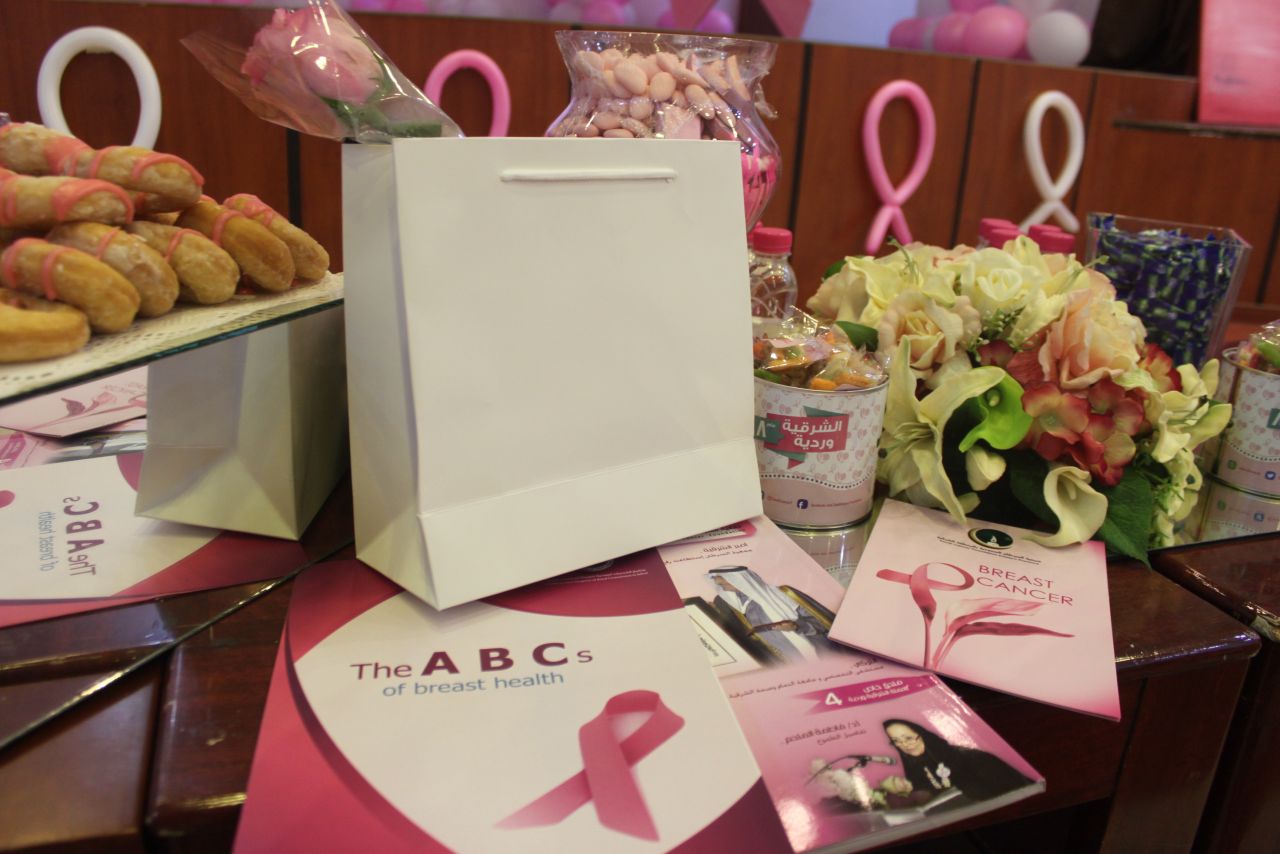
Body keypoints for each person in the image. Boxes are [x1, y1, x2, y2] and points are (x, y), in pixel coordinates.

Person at [877, 719, 1032, 803]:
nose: (904, 745)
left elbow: (1018, 791)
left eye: (908, 738)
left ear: (922, 734)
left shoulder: (971, 758)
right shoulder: (916, 769)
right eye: (896, 741)